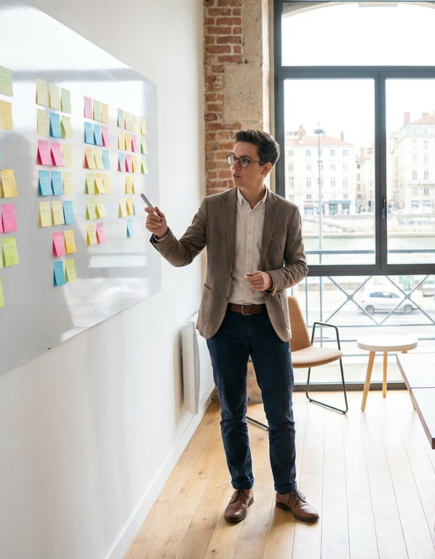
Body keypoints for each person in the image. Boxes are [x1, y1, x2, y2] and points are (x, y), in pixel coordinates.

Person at [144, 129, 318, 524]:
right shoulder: (214, 207)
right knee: (232, 413)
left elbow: (299, 266)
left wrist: (272, 279)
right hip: (224, 324)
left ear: (265, 167)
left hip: (269, 324)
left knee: (281, 414)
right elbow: (183, 255)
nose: (235, 166)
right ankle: (242, 489)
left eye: (244, 160)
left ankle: (287, 490)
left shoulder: (286, 212)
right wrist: (162, 234)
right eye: (233, 158)